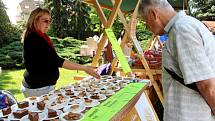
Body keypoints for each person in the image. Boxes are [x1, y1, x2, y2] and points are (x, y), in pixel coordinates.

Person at [138, 0, 215, 120]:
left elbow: (206, 85)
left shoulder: (181, 30)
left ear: (153, 14)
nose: (146, 26)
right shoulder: (185, 25)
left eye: (144, 20)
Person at [22, 7, 100, 98]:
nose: (48, 24)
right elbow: (57, 61)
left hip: (40, 87)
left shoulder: (38, 36)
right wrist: (85, 68)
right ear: (35, 21)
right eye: (45, 21)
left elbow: (49, 59)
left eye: (49, 21)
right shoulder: (35, 38)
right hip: (38, 88)